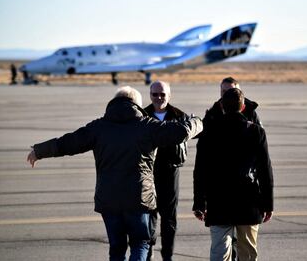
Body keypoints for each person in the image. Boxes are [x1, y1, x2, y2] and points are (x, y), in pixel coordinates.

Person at [26, 86, 203, 261]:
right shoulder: (146, 126)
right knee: (141, 244)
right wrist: (197, 121)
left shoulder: (99, 127)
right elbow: (181, 132)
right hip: (139, 198)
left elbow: (69, 142)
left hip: (108, 199)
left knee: (117, 249)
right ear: (137, 105)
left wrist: (39, 151)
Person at [192, 88, 273, 261]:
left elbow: (200, 171)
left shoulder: (209, 132)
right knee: (248, 252)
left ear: (222, 106)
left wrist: (199, 202)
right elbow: (265, 170)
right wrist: (268, 203)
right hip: (249, 201)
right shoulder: (256, 132)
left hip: (218, 201)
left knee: (219, 251)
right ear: (243, 107)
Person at [144, 81, 189, 261]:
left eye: (162, 94)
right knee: (149, 215)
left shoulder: (179, 116)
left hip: (171, 172)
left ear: (169, 95)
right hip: (147, 173)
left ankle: (167, 256)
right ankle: (148, 252)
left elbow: (195, 131)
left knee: (169, 217)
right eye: (155, 94)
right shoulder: (142, 115)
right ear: (150, 95)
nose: (159, 98)